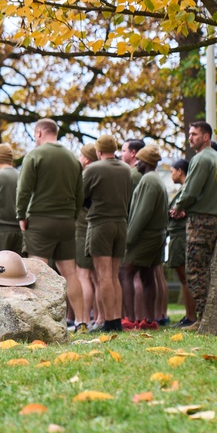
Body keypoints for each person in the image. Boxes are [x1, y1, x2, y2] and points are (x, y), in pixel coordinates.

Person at [15, 119, 86, 331]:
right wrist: (71, 215)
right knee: (70, 273)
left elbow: (24, 189)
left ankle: (42, 321)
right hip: (66, 221)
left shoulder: (35, 156)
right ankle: (82, 320)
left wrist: (21, 215)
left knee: (38, 270)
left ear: (38, 133)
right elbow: (79, 194)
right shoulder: (73, 159)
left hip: (40, 220)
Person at [171, 121, 217, 331]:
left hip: (201, 220)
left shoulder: (201, 159)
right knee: (209, 269)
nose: (190, 138)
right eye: (189, 134)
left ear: (206, 137)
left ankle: (204, 318)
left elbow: (191, 190)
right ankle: (210, 315)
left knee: (195, 270)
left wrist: (178, 206)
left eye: (194, 134)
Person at [83, 135, 133, 332]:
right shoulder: (126, 169)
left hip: (100, 223)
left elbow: (81, 195)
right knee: (114, 275)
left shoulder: (93, 169)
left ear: (98, 151)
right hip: (121, 223)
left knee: (103, 275)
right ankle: (116, 320)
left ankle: (108, 322)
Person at [120, 144, 167, 330]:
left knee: (125, 271)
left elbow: (142, 213)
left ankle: (130, 319)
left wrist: (129, 239)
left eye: (139, 160)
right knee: (147, 276)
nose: (136, 163)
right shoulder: (156, 180)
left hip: (146, 237)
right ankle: (149, 320)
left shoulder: (148, 181)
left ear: (145, 162)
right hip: (158, 236)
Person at [167, 159, 196, 327]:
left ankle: (191, 316)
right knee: (183, 277)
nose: (171, 175)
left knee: (186, 277)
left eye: (172, 171)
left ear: (179, 171)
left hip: (181, 235)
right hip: (177, 234)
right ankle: (189, 315)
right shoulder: (183, 190)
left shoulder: (187, 189)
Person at [73, 144, 99, 330]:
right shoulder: (100, 175)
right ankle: (98, 318)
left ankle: (84, 319)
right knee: (96, 277)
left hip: (83, 229)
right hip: (93, 228)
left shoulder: (86, 176)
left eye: (81, 155)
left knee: (84, 275)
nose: (79, 158)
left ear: (87, 159)